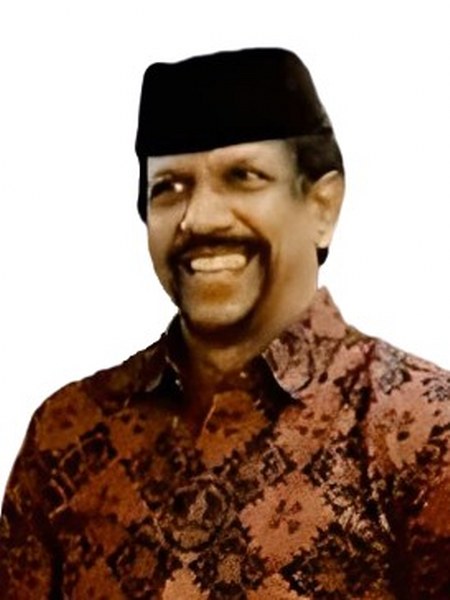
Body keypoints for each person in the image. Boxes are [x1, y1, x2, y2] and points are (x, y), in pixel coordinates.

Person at [1, 48, 449, 599]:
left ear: (322, 206)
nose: (199, 218)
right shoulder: (67, 432)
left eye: (243, 177)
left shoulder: (424, 431)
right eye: (168, 188)